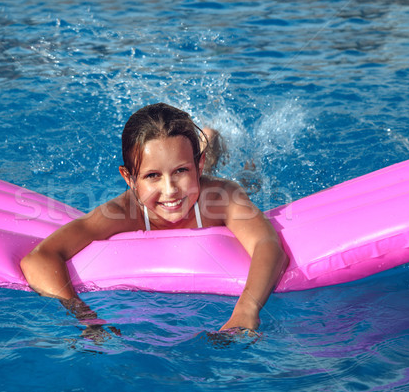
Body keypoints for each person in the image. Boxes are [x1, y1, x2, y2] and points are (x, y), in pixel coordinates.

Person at [20, 103, 288, 334]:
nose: (170, 190)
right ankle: (201, 144)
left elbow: (268, 245)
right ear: (129, 178)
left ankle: (212, 142)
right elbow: (39, 258)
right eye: (152, 176)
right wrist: (86, 318)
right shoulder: (125, 212)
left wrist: (246, 309)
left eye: (181, 171)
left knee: (248, 181)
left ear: (198, 165)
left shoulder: (220, 197)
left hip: (213, 182)